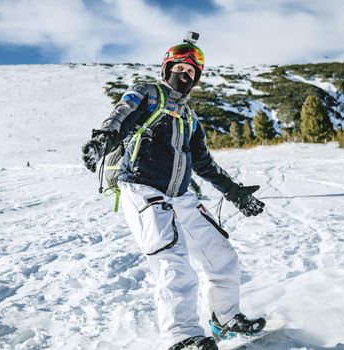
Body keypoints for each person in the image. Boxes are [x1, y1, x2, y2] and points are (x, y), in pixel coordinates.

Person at [82, 34, 266, 350]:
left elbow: (205, 164)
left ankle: (226, 317)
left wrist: (235, 193)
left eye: (191, 73)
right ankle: (182, 336)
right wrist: (102, 139)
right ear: (167, 68)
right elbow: (120, 116)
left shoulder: (190, 118)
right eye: (180, 68)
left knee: (221, 254)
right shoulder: (147, 93)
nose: (185, 75)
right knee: (173, 260)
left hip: (181, 196)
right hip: (141, 188)